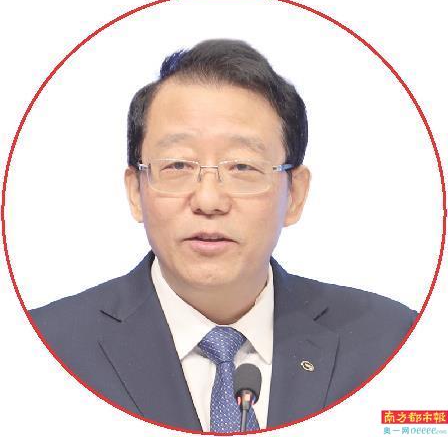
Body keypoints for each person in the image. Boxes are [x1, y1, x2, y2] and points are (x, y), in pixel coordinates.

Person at [30, 39, 417, 433]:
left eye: (243, 167)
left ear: (294, 195)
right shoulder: (43, 346)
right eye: (177, 165)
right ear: (135, 191)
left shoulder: (392, 341)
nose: (209, 200)